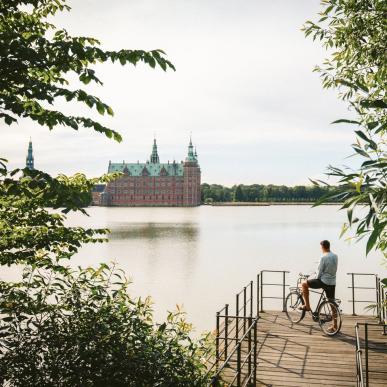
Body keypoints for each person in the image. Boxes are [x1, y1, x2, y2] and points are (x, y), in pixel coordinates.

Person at [300, 240, 338, 331]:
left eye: (321, 247)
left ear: (323, 247)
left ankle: (307, 306)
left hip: (324, 282)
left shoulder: (323, 257)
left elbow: (319, 272)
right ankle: (335, 326)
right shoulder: (335, 256)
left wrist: (313, 276)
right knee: (332, 304)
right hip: (332, 282)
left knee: (304, 284)